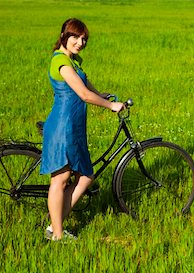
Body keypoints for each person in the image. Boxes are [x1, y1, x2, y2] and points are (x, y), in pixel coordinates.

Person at [40, 18, 124, 241]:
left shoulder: (73, 61)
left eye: (84, 39)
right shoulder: (61, 62)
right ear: (64, 36)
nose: (80, 42)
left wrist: (102, 95)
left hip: (74, 126)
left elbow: (86, 85)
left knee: (86, 176)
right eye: (76, 37)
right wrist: (110, 105)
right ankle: (57, 235)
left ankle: (53, 225)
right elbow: (83, 95)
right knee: (60, 179)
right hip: (63, 126)